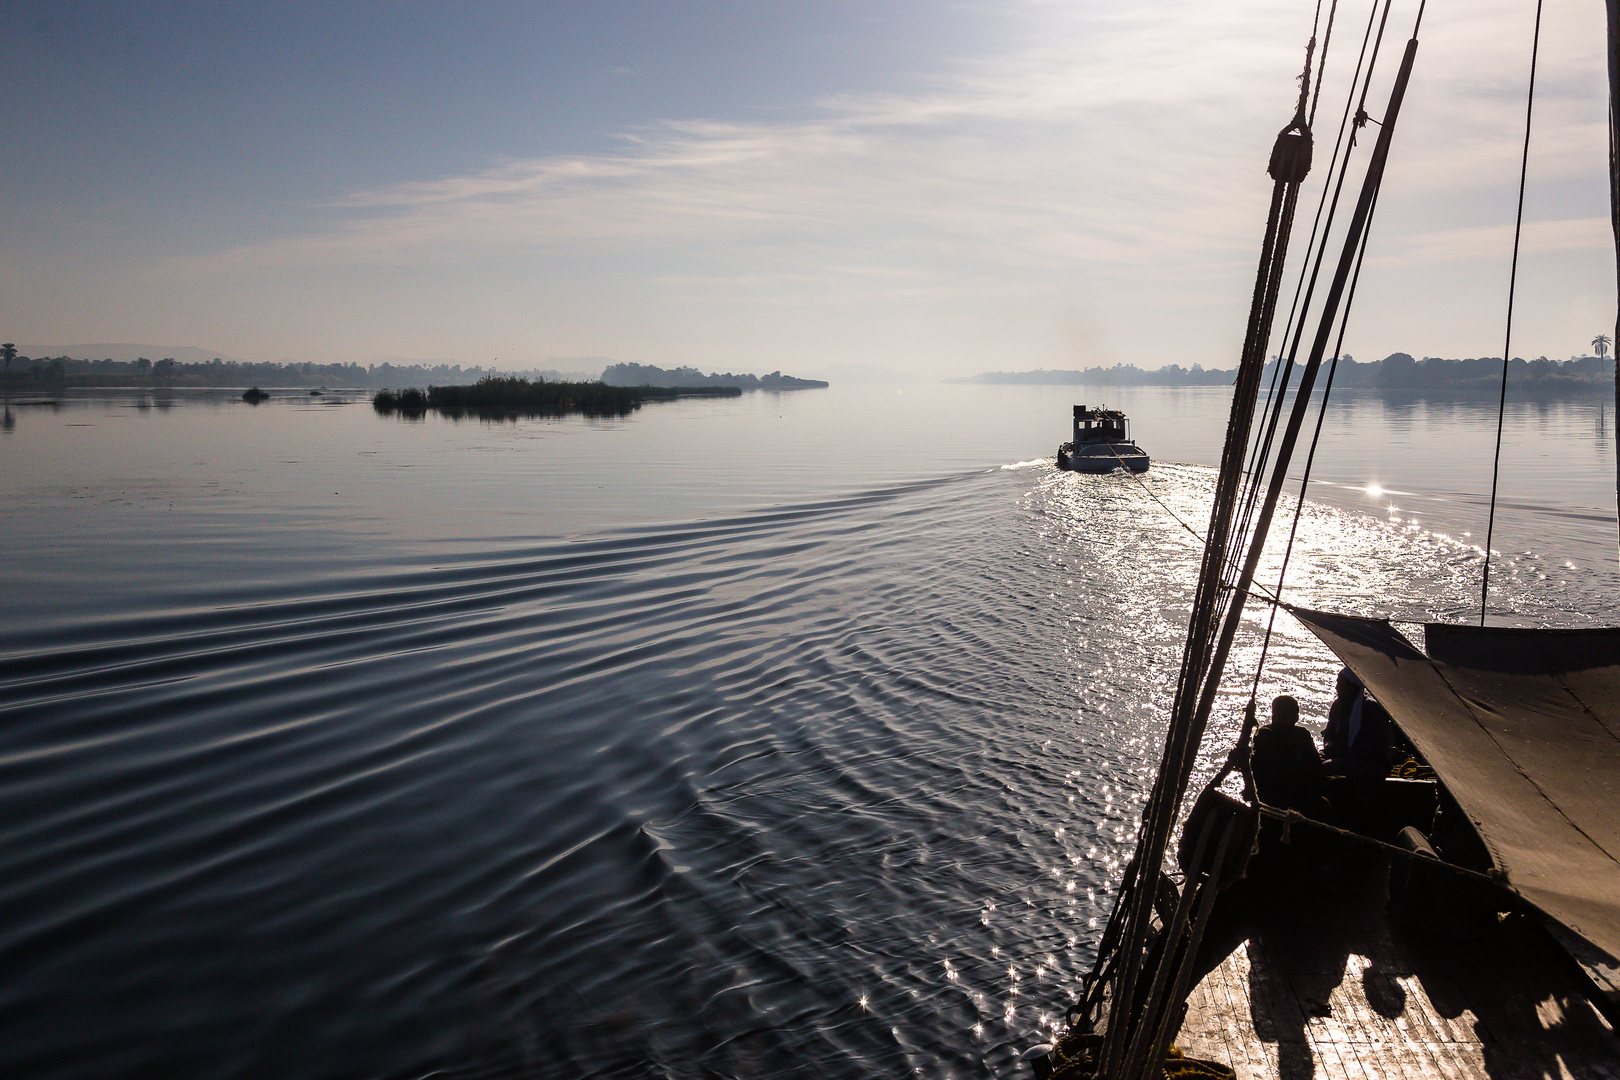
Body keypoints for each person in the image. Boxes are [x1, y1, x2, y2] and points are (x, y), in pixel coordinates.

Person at [1250, 694, 1328, 815]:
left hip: (1302, 788)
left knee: (1341, 785)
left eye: (1283, 717)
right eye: (1275, 716)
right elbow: (1268, 775)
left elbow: (1316, 766)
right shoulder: (1265, 736)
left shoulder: (1302, 735)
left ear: (1296, 718)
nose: (1278, 721)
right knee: (1321, 805)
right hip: (1277, 794)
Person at [1321, 667, 1392, 784]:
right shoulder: (1337, 706)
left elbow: (1374, 747)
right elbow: (1329, 733)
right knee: (1311, 760)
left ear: (1352, 686)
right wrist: (1329, 745)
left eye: (1341, 684)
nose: (1336, 687)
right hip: (1342, 754)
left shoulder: (1371, 708)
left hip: (1368, 761)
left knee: (1327, 767)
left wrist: (1344, 753)